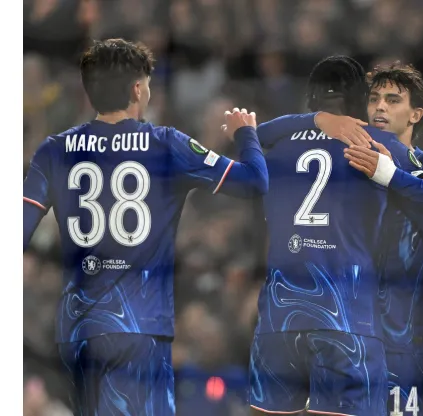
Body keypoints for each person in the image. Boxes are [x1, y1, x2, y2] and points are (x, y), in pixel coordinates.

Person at [22, 38, 268, 416]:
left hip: (78, 330)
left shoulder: (54, 150)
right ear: (138, 88)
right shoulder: (167, 145)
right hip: (139, 325)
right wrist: (246, 133)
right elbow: (254, 182)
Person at [257, 61, 423, 416]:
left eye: (393, 101)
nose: (380, 107)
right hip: (347, 322)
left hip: (403, 332)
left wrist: (392, 178)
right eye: (374, 98)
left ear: (415, 115)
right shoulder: (345, 158)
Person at [247, 55, 411, 416]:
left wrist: (311, 122)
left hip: (279, 318)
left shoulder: (275, 146)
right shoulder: (377, 144)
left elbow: (242, 140)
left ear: (311, 97)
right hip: (347, 317)